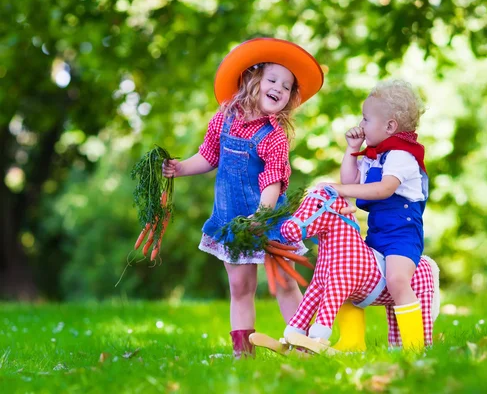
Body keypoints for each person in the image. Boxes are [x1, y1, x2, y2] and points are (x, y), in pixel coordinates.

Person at [162, 38, 324, 358]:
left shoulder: (273, 135)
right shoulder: (224, 118)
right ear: (253, 79)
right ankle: (243, 352)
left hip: (268, 220)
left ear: (291, 97)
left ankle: (303, 345)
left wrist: (261, 216)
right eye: (273, 79)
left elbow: (272, 180)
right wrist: (180, 168)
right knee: (240, 287)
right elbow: (209, 156)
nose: (280, 88)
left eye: (288, 86)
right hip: (231, 220)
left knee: (284, 282)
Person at [319, 79, 429, 350]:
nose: (361, 124)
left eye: (366, 119)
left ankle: (414, 346)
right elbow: (352, 177)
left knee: (396, 279)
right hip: (377, 234)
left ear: (390, 126)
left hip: (402, 235)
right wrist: (351, 151)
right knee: (347, 274)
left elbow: (383, 189)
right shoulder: (374, 155)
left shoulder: (402, 156)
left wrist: (342, 188)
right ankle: (352, 341)